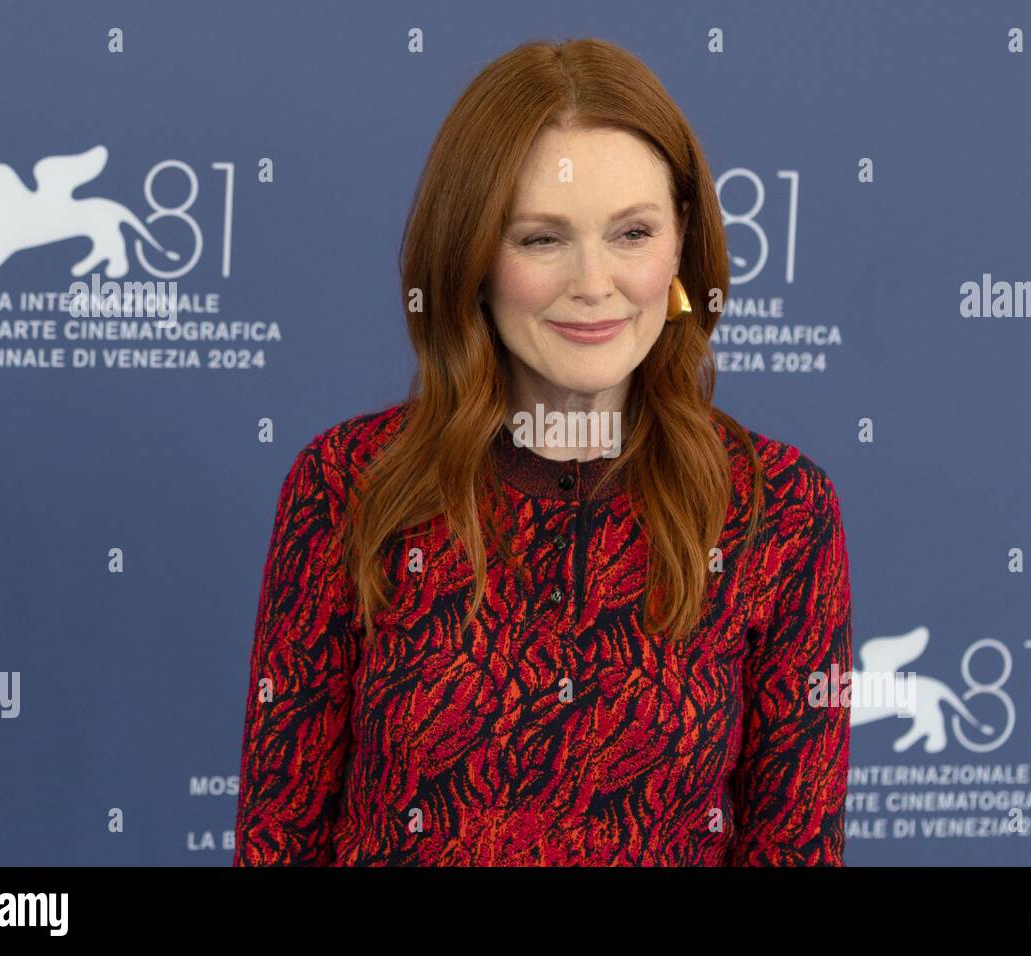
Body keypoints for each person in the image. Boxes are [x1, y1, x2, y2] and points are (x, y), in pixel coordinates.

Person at [233, 36, 852, 866]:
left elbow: (795, 849)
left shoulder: (779, 510)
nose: (594, 282)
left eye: (632, 233)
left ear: (682, 249)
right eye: (541, 239)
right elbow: (281, 839)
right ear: (471, 259)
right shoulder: (348, 484)